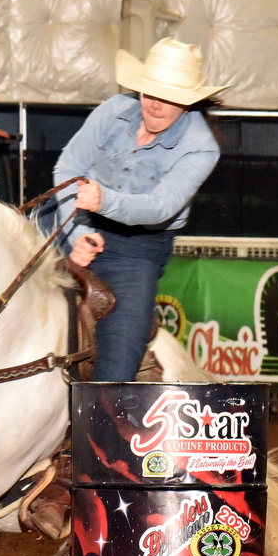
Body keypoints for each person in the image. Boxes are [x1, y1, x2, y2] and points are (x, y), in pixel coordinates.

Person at [50, 38, 230, 382]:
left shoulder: (201, 148)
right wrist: (77, 233)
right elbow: (69, 167)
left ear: (188, 102)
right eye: (150, 93)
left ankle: (101, 409)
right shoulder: (113, 110)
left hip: (135, 250)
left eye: (169, 97)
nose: (155, 105)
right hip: (70, 216)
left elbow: (161, 206)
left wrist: (104, 201)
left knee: (118, 364)